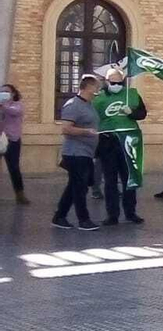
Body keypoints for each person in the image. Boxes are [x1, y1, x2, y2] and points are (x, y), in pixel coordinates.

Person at [93, 68, 147, 225]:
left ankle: (130, 212)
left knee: (129, 177)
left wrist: (131, 112)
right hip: (107, 140)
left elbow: (142, 114)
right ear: (106, 81)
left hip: (129, 140)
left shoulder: (132, 94)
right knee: (110, 180)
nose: (116, 84)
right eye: (112, 82)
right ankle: (112, 215)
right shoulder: (99, 98)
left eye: (119, 82)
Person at [52, 75, 102, 230]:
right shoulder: (73, 105)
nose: (98, 90)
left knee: (74, 185)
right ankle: (83, 220)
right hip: (75, 153)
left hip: (86, 152)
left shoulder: (89, 105)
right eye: (96, 87)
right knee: (80, 186)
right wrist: (87, 131)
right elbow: (66, 129)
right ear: (88, 87)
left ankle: (60, 216)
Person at [1, 84, 25, 203]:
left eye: (6, 92)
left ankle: (20, 195)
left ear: (13, 94)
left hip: (12, 140)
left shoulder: (18, 105)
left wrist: (3, 105)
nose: (4, 94)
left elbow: (14, 112)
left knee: (14, 168)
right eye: (2, 92)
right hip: (0, 139)